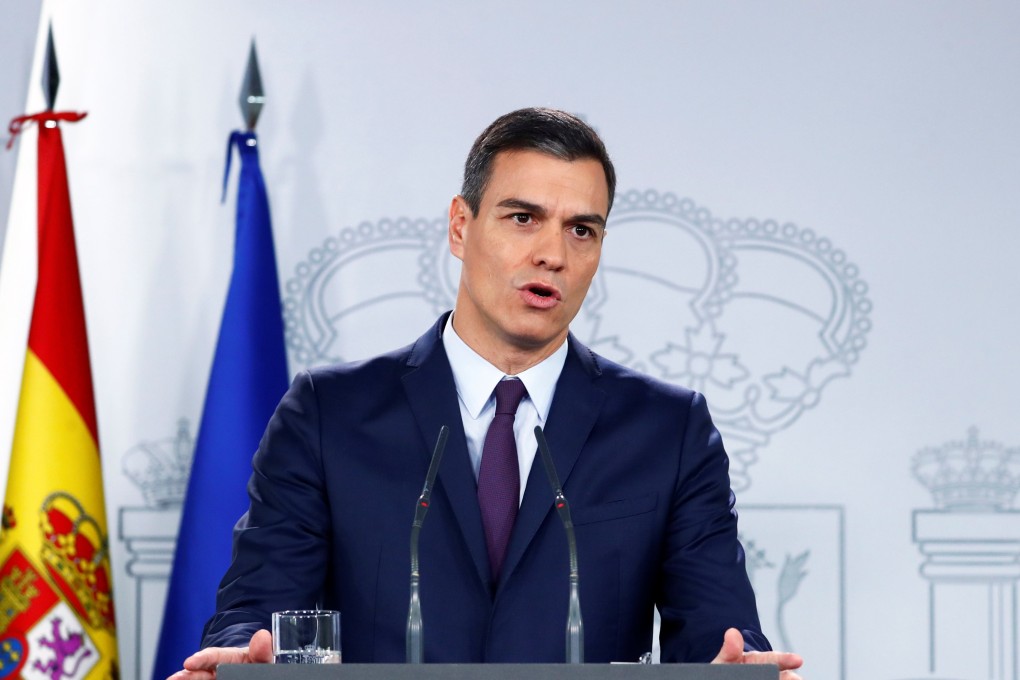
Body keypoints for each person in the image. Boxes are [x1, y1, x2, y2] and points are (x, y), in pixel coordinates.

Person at [170, 108, 804, 679]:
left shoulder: (667, 430)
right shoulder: (328, 415)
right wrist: (241, 656)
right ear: (460, 226)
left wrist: (738, 666)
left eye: (581, 230)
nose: (552, 253)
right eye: (523, 218)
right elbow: (260, 610)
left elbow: (719, 631)